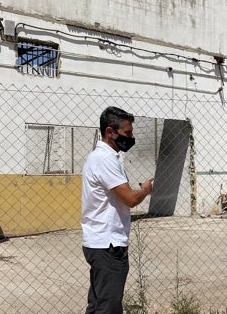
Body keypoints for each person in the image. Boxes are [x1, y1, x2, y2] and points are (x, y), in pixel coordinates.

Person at [81, 106, 153, 314]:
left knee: (98, 305)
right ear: (111, 132)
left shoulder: (104, 157)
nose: (131, 137)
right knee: (108, 308)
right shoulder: (104, 160)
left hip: (101, 242)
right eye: (128, 133)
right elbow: (130, 199)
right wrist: (145, 190)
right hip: (108, 245)